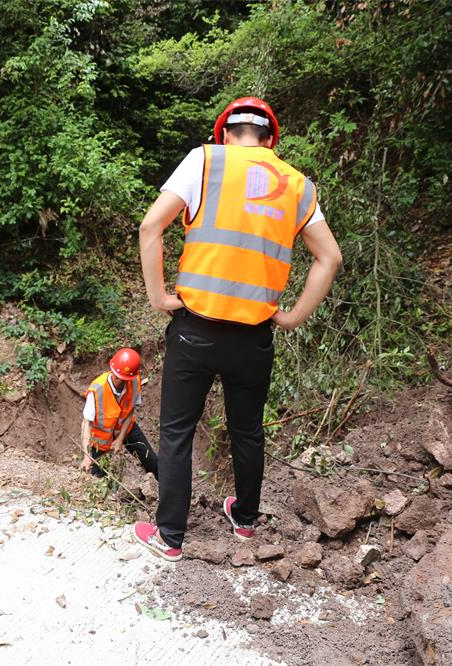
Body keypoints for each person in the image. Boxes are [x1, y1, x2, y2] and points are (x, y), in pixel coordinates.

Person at [133, 97, 342, 561]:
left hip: (195, 330)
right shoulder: (297, 184)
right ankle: (245, 521)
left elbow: (151, 227)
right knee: (247, 430)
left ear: (225, 132)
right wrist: (291, 317)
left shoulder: (204, 161)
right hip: (255, 336)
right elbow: (330, 258)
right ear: (270, 140)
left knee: (177, 432)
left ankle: (170, 538)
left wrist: (158, 297)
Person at [79, 348, 159, 480]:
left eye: (124, 379)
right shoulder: (97, 390)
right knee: (97, 478)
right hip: (100, 439)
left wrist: (120, 438)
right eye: (117, 377)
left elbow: (130, 409)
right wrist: (87, 457)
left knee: (151, 460)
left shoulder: (134, 381)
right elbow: (86, 424)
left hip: (126, 428)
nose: (120, 381)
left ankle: (166, 490)